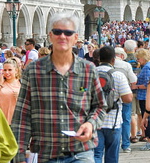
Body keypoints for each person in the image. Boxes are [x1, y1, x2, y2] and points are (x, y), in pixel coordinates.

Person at [11, 12, 106, 163]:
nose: (62, 36)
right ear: (50, 36)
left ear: (75, 38)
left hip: (80, 152)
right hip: (45, 154)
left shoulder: (88, 69)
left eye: (68, 32)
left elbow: (100, 106)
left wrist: (90, 124)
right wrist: (19, 155)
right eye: (57, 32)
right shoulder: (33, 70)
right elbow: (22, 115)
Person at [94, 46, 133, 163]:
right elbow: (128, 98)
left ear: (99, 58)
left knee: (96, 154)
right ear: (113, 60)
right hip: (113, 122)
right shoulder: (118, 75)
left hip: (94, 120)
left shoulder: (91, 73)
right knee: (112, 156)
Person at [114, 47, 138, 153]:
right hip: (124, 94)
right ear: (122, 56)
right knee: (126, 119)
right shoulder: (126, 65)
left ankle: (114, 143)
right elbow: (133, 80)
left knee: (114, 120)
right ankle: (125, 145)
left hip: (111, 96)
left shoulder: (108, 65)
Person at [133, 48, 150, 150]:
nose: (138, 60)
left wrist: (137, 86)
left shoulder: (147, 68)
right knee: (148, 118)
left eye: (139, 58)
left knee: (146, 118)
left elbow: (148, 84)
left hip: (145, 95)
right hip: (148, 95)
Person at [0, 57, 21, 124]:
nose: (7, 72)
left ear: (16, 70)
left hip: (17, 120)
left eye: (10, 70)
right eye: (5, 70)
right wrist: (0, 84)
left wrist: (20, 97)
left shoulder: (21, 82)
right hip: (0, 119)